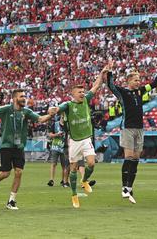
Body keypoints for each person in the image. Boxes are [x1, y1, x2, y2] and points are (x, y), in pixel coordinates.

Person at [0, 89, 55, 210]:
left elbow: (40, 119)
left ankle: (11, 201)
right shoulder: (6, 109)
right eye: (21, 96)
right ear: (15, 98)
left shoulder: (27, 111)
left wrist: (51, 115)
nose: (24, 98)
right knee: (5, 173)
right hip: (6, 146)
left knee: (19, 172)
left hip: (19, 146)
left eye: (25, 96)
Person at [106, 58, 157, 204]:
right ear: (128, 81)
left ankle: (130, 187)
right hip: (128, 128)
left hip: (140, 128)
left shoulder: (140, 91)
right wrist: (110, 71)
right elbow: (111, 85)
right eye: (135, 80)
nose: (138, 82)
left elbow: (155, 83)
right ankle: (124, 187)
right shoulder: (123, 92)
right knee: (129, 157)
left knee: (136, 159)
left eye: (139, 80)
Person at [56, 66, 106, 208]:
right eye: (79, 92)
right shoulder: (68, 105)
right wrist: (53, 110)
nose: (82, 93)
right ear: (73, 94)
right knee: (73, 169)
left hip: (86, 139)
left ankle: (84, 181)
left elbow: (96, 86)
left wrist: (102, 73)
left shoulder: (86, 100)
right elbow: (58, 108)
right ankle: (74, 195)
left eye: (83, 91)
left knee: (91, 163)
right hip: (74, 141)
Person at [47, 115, 69, 188]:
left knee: (64, 165)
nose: (64, 119)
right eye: (63, 117)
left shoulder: (67, 125)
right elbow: (50, 134)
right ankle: (51, 180)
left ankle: (63, 180)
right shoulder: (55, 124)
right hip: (55, 146)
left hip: (64, 147)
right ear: (61, 117)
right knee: (53, 164)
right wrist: (57, 134)